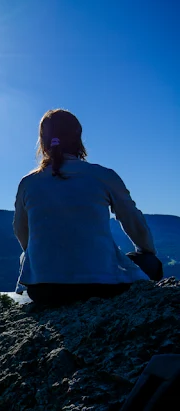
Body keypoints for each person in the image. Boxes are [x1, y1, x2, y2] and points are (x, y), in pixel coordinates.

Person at [13, 108, 161, 306]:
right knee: (151, 263)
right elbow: (133, 222)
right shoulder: (103, 176)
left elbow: (20, 230)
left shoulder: (28, 183)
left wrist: (42, 258)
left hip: (44, 289)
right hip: (100, 286)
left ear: (43, 141)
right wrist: (146, 251)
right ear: (78, 138)